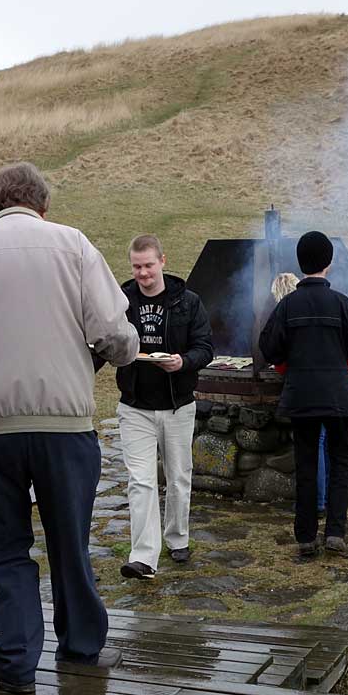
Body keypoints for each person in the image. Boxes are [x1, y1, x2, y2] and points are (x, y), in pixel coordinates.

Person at [0, 162, 138, 695]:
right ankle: (82, 649)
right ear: (43, 206)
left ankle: (14, 660)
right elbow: (114, 334)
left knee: (6, 549)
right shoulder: (74, 245)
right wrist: (119, 351)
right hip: (66, 429)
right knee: (70, 542)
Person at [259, 232, 348, 557]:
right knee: (340, 461)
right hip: (337, 395)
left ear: (300, 263)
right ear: (329, 264)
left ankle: (306, 538)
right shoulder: (342, 304)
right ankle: (335, 532)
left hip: (301, 396)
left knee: (306, 464)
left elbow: (269, 348)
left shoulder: (287, 305)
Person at [115, 234, 214, 580]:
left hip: (177, 405)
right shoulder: (121, 302)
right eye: (137, 267)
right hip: (135, 406)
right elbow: (106, 344)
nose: (143, 273)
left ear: (162, 261)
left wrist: (183, 362)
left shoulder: (187, 302)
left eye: (148, 266)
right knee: (140, 481)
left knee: (178, 476)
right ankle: (143, 557)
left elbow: (206, 347)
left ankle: (177, 537)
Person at [271, 272, 348, 513]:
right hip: (341, 386)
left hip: (320, 390)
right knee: (336, 449)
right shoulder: (333, 304)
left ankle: (319, 502)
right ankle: (331, 504)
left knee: (318, 446)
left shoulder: (290, 310)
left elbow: (278, 356)